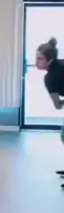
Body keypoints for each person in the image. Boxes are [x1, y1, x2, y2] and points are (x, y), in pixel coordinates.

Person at [35, 37, 64, 184]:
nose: (36, 62)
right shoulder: (61, 63)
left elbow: (58, 105)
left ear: (50, 60)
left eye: (40, 59)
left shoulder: (50, 77)